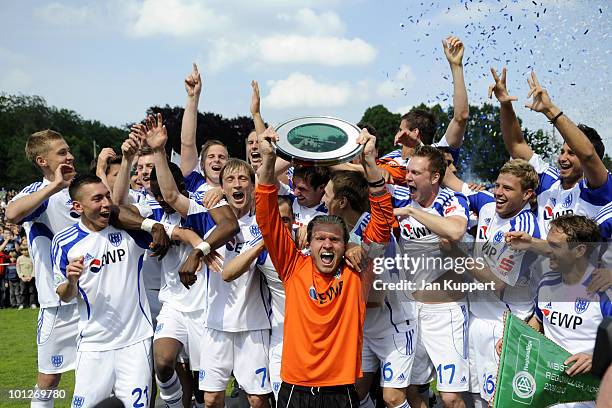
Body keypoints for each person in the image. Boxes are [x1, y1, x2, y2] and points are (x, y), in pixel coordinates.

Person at [256, 126, 394, 407]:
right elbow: (267, 218)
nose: (327, 245)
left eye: (335, 240)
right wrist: (268, 162)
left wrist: (369, 164)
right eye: (320, 238)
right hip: (295, 389)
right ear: (309, 242)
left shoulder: (358, 271)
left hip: (341, 392)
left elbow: (382, 223)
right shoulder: (294, 266)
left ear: (346, 246)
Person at [52, 174, 185, 408]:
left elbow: (156, 206)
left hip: (135, 341)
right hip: (93, 345)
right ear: (77, 206)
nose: (106, 204)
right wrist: (71, 281)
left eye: (107, 196)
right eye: (97, 199)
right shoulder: (65, 241)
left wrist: (150, 225)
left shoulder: (128, 230)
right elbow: (64, 294)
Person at [142, 113, 240, 408]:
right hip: (173, 304)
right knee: (163, 362)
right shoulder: (156, 215)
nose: (162, 197)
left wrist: (200, 248)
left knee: (209, 394)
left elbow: (228, 226)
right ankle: (174, 405)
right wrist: (165, 230)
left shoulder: (200, 206)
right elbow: (123, 213)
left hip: (207, 308)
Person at [498, 215, 611, 408]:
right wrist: (515, 339)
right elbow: (539, 320)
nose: (548, 251)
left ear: (580, 250)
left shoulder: (604, 290)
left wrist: (597, 360)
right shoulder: (546, 283)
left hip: (589, 395)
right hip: (548, 393)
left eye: (556, 246)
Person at [391, 145, 470, 408]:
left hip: (445, 312)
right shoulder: (401, 196)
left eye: (415, 172)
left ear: (435, 177)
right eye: (407, 171)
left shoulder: (452, 200)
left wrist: (413, 212)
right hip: (411, 310)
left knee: (451, 396)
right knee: (414, 388)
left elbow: (456, 232)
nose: (408, 177)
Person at [490, 68, 612, 237]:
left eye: (571, 153)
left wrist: (550, 110)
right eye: (562, 151)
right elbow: (516, 145)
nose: (563, 158)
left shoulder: (599, 189)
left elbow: (588, 154)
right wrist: (504, 103)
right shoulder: (549, 180)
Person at [6, 129, 79, 407]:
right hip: (57, 303)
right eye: (62, 152)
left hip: (94, 298)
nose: (70, 156)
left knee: (96, 374)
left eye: (68, 150)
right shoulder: (38, 193)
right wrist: (54, 187)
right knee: (48, 379)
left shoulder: (84, 189)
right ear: (42, 161)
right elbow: (12, 214)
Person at [460, 159, 541, 406]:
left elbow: (497, 283)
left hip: (502, 325)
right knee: (471, 398)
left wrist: (458, 255)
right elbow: (449, 179)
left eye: (507, 188)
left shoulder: (524, 227)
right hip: (474, 317)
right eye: (497, 186)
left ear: (527, 194)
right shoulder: (487, 207)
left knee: (498, 401)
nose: (498, 192)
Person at [378, 36, 469, 186]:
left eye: (401, 129)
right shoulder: (392, 157)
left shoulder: (440, 154)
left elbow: (461, 117)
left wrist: (456, 66)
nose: (397, 135)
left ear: (414, 133)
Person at [179, 64, 228, 196]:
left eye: (222, 157)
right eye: (211, 156)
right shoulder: (194, 182)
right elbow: (187, 143)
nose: (216, 160)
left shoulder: (238, 189)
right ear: (202, 164)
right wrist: (192, 98)